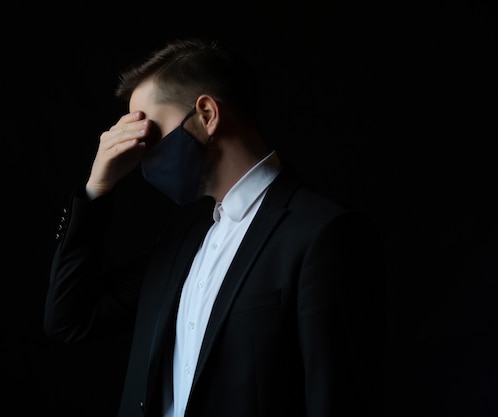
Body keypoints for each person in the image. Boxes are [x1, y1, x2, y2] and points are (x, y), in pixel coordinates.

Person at [44, 38, 387, 417]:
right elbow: (70, 320)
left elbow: (335, 400)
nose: (140, 153)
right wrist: (97, 190)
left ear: (207, 114)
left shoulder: (321, 234)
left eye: (149, 135)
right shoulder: (182, 239)